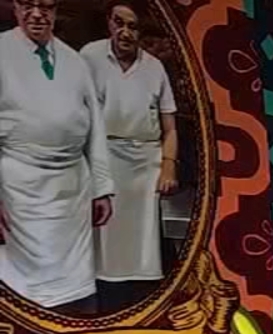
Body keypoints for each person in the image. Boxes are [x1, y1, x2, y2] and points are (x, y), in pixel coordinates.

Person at [0, 0, 115, 313]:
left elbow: (96, 127)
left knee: (75, 282)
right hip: (18, 186)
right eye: (28, 5)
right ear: (15, 7)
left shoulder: (74, 60)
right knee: (22, 285)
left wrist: (102, 188)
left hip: (72, 186)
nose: (37, 14)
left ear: (55, 11)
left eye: (46, 6)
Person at [83, 1, 180, 309]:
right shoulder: (89, 56)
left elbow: (170, 128)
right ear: (109, 23)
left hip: (144, 162)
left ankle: (143, 306)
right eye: (118, 23)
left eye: (132, 26)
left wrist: (168, 168)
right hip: (103, 156)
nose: (125, 32)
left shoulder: (154, 67)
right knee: (104, 245)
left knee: (144, 246)